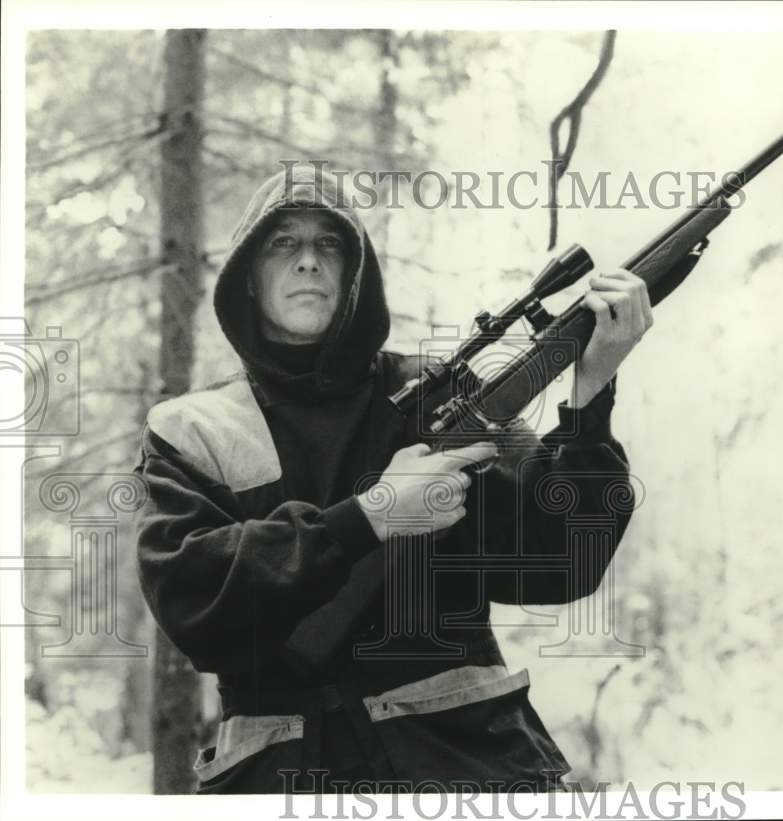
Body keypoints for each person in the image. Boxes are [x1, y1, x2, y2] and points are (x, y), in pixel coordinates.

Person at [133, 165, 653, 795]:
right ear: (247, 277)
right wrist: (372, 515)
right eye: (282, 243)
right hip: (281, 784)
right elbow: (194, 604)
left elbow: (564, 559)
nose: (308, 263)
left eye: (330, 244)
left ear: (356, 273)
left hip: (469, 769)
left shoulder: (446, 400)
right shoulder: (192, 427)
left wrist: (592, 396)